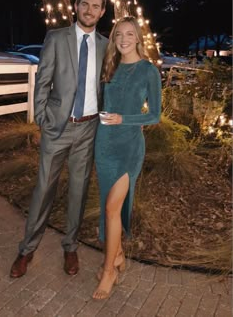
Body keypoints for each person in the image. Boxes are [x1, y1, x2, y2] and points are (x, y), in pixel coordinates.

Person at [10, 0, 108, 278]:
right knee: (43, 191)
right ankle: (27, 250)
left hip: (89, 128)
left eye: (96, 6)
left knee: (78, 192)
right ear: (76, 6)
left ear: (103, 11)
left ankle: (70, 246)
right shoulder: (56, 37)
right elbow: (43, 81)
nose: (90, 10)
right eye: (85, 4)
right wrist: (42, 117)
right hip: (57, 128)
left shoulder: (105, 44)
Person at [93, 16, 162, 299]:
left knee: (112, 207)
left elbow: (154, 115)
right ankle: (118, 255)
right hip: (104, 145)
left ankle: (109, 271)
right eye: (118, 34)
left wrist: (124, 118)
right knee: (108, 206)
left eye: (129, 34)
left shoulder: (148, 71)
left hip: (129, 147)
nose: (123, 39)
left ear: (138, 38)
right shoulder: (109, 65)